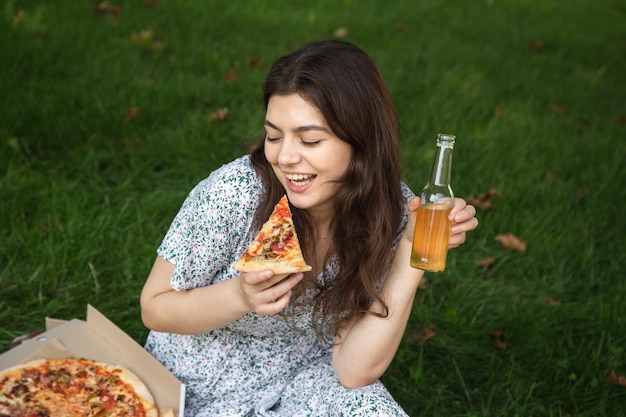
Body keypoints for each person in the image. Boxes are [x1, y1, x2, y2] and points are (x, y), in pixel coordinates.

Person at [140, 39, 478, 417]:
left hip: (304, 379)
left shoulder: (392, 212)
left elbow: (353, 371)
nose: (284, 157)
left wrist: (412, 254)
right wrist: (239, 296)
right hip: (195, 386)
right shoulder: (234, 194)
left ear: (361, 141)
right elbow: (154, 308)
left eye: (310, 139)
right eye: (273, 135)